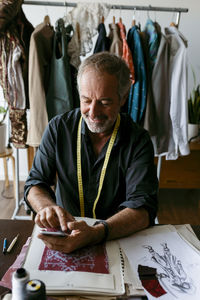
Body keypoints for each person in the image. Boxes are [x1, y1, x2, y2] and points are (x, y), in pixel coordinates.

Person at [24, 52, 158, 254]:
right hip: (65, 235)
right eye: (86, 100)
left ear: (123, 98)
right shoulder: (59, 128)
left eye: (104, 102)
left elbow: (143, 209)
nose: (93, 113)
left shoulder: (138, 140)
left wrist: (96, 233)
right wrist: (46, 207)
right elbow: (35, 183)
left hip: (114, 237)